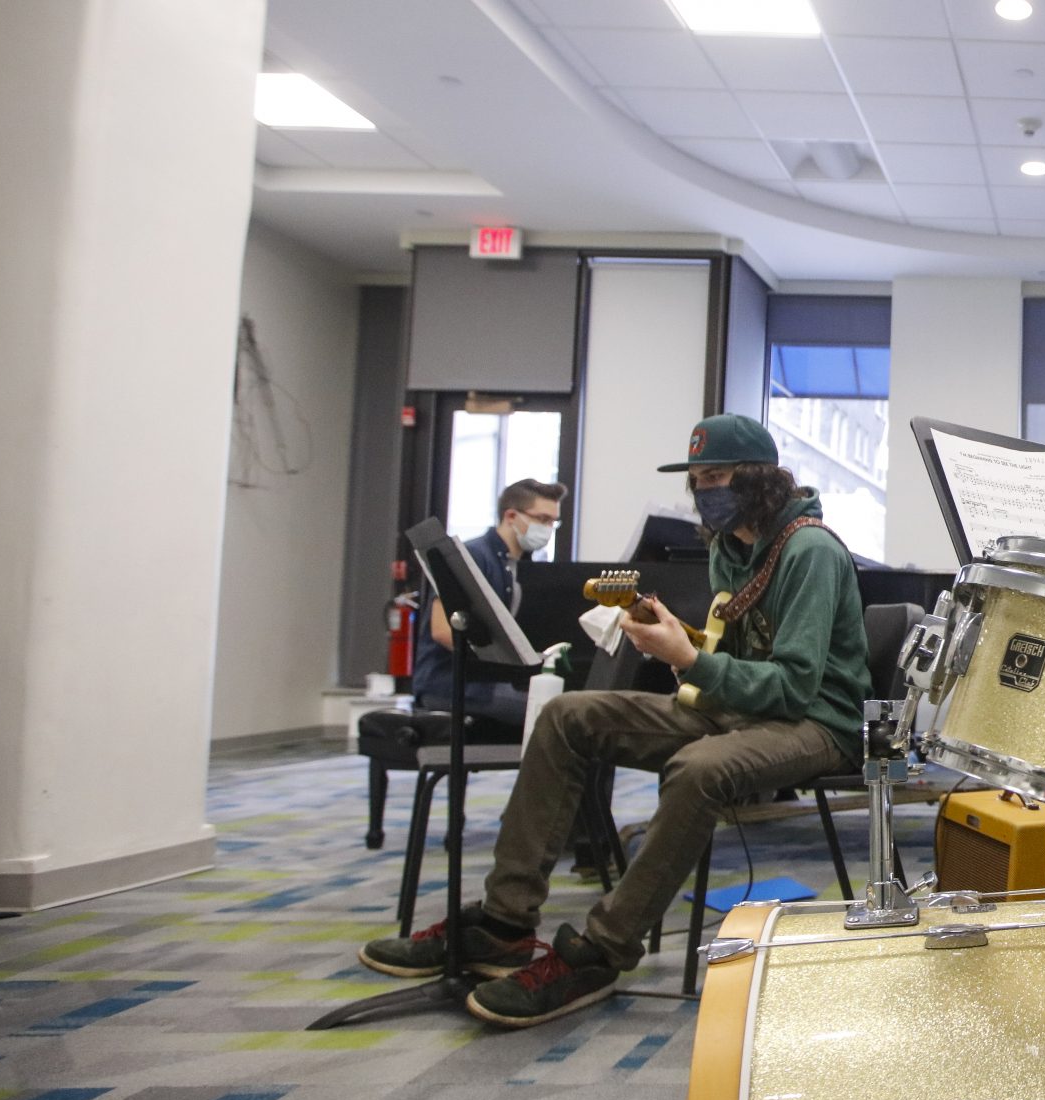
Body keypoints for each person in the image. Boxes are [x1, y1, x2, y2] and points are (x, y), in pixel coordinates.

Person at [361, 415, 872, 1029]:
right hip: (748, 713)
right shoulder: (731, 551)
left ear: (759, 479)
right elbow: (730, 661)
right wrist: (678, 645)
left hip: (820, 726)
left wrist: (685, 659)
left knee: (697, 768)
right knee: (567, 715)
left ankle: (601, 951)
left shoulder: (810, 551)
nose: (703, 490)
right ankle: (504, 924)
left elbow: (793, 688)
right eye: (697, 478)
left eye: (717, 476)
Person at [411, 478, 565, 736]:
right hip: (449, 683)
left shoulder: (521, 567)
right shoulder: (471, 556)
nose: (548, 528)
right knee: (560, 711)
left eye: (553, 522)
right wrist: (509, 656)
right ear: (511, 516)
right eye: (542, 519)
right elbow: (441, 630)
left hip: (491, 680)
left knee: (571, 705)